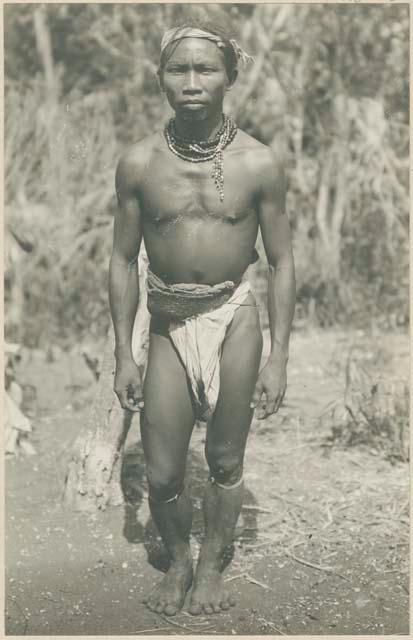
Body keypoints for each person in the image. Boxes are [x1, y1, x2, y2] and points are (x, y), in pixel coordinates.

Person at [109, 21, 296, 617]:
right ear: (160, 78)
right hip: (165, 320)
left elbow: (283, 262)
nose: (191, 81)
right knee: (162, 473)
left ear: (230, 78)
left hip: (233, 315)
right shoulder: (138, 163)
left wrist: (280, 357)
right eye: (178, 69)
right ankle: (179, 564)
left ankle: (212, 565)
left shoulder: (259, 164)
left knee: (223, 459)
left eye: (206, 68)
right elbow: (119, 260)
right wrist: (122, 354)